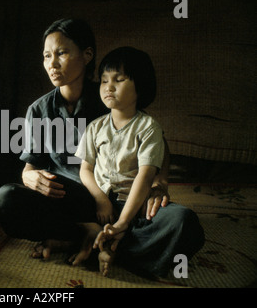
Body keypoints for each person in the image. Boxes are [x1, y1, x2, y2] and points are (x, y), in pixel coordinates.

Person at [0, 19, 171, 262]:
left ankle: (90, 238)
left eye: (61, 53)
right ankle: (88, 234)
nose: (52, 64)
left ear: (87, 55)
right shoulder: (38, 110)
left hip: (110, 199)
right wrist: (29, 177)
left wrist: (158, 184)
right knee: (6, 199)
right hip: (66, 199)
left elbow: (154, 140)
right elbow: (30, 166)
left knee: (179, 224)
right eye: (46, 56)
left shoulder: (108, 97)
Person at [75, 46, 205, 278]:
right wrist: (100, 199)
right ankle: (107, 240)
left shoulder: (148, 127)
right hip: (100, 205)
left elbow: (146, 176)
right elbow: (86, 169)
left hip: (135, 206)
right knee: (62, 202)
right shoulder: (95, 127)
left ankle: (112, 245)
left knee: (184, 222)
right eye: (104, 81)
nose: (108, 87)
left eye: (119, 79)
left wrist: (123, 221)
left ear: (140, 86)